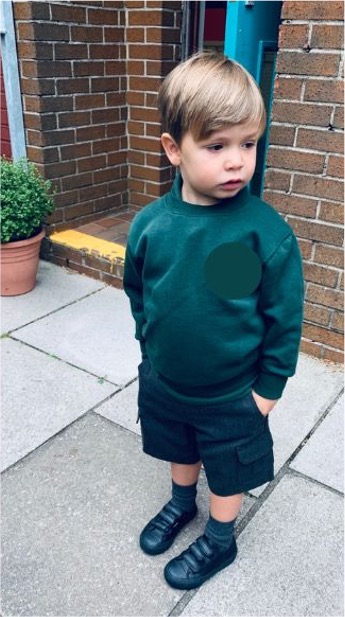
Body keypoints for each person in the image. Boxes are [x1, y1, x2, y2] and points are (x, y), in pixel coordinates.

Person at [123, 51, 304, 590]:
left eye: (248, 144)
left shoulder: (262, 234)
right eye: (217, 145)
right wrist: (147, 346)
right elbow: (140, 290)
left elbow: (284, 318)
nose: (236, 162)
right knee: (177, 448)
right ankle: (181, 504)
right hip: (167, 380)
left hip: (233, 393)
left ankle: (220, 541)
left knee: (227, 469)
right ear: (174, 150)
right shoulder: (151, 225)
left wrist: (266, 392)